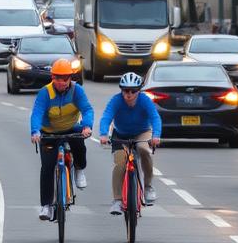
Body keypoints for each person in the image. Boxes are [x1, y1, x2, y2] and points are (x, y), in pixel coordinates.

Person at [28, 55, 94, 221]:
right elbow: (37, 113)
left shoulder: (77, 90)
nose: (62, 82)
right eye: (58, 78)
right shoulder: (45, 93)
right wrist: (35, 131)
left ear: (70, 78)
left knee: (79, 145)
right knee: (47, 167)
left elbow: (87, 109)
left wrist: (87, 126)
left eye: (65, 78)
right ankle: (46, 206)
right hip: (49, 132)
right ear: (53, 78)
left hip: (71, 128)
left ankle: (79, 169)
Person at [95, 71, 163, 215]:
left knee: (144, 150)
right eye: (126, 90)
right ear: (121, 90)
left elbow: (155, 118)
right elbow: (106, 117)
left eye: (133, 91)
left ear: (139, 91)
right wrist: (103, 134)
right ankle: (117, 200)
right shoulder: (116, 101)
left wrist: (156, 135)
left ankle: (148, 186)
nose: (129, 94)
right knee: (120, 162)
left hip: (142, 132)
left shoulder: (144, 100)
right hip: (121, 134)